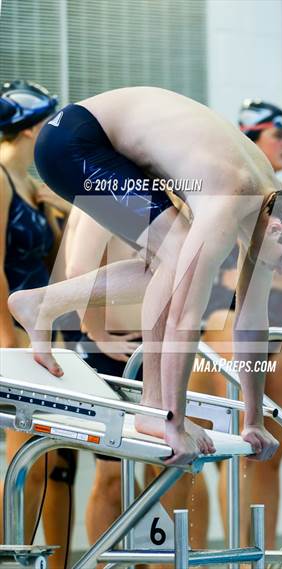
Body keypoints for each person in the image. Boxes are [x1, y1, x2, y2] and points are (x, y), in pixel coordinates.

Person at [8, 86, 282, 468]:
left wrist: (253, 419)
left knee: (170, 257)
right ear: (278, 229)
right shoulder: (229, 197)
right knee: (175, 256)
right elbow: (184, 319)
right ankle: (152, 406)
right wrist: (173, 419)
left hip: (95, 142)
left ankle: (41, 303)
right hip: (74, 141)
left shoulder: (267, 211)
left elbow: (252, 324)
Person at [186, 99, 282, 550]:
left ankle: (256, 560)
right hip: (224, 332)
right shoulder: (218, 193)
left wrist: (259, 271)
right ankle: (224, 556)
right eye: (276, 134)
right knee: (230, 455)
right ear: (250, 139)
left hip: (281, 338)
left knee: (268, 457)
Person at [0, 79, 74, 568]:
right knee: (26, 459)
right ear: (31, 128)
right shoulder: (0, 178)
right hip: (17, 336)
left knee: (58, 461)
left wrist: (56, 205)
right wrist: (6, 339)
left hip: (48, 337)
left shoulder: (30, 183)